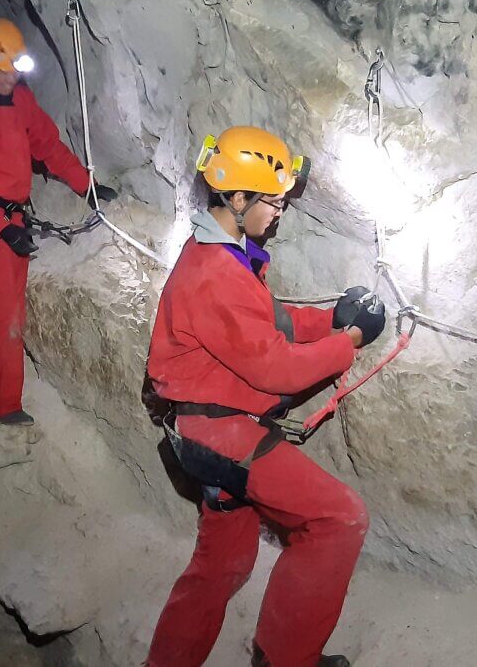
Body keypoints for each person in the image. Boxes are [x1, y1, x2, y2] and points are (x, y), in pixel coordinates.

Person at [144, 127, 386, 667]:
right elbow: (275, 367)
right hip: (222, 433)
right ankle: (286, 659)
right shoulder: (214, 273)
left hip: (201, 426)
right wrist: (345, 345)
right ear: (237, 198)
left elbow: (266, 323)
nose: (279, 212)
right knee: (338, 519)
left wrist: (331, 319)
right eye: (272, 201)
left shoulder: (223, 251)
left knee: (222, 565)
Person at [0, 16, 117, 425]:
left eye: (16, 70)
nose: (11, 79)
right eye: (3, 71)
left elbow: (48, 145)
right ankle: (4, 406)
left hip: (11, 216)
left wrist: (85, 186)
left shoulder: (20, 99)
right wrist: (3, 231)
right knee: (3, 315)